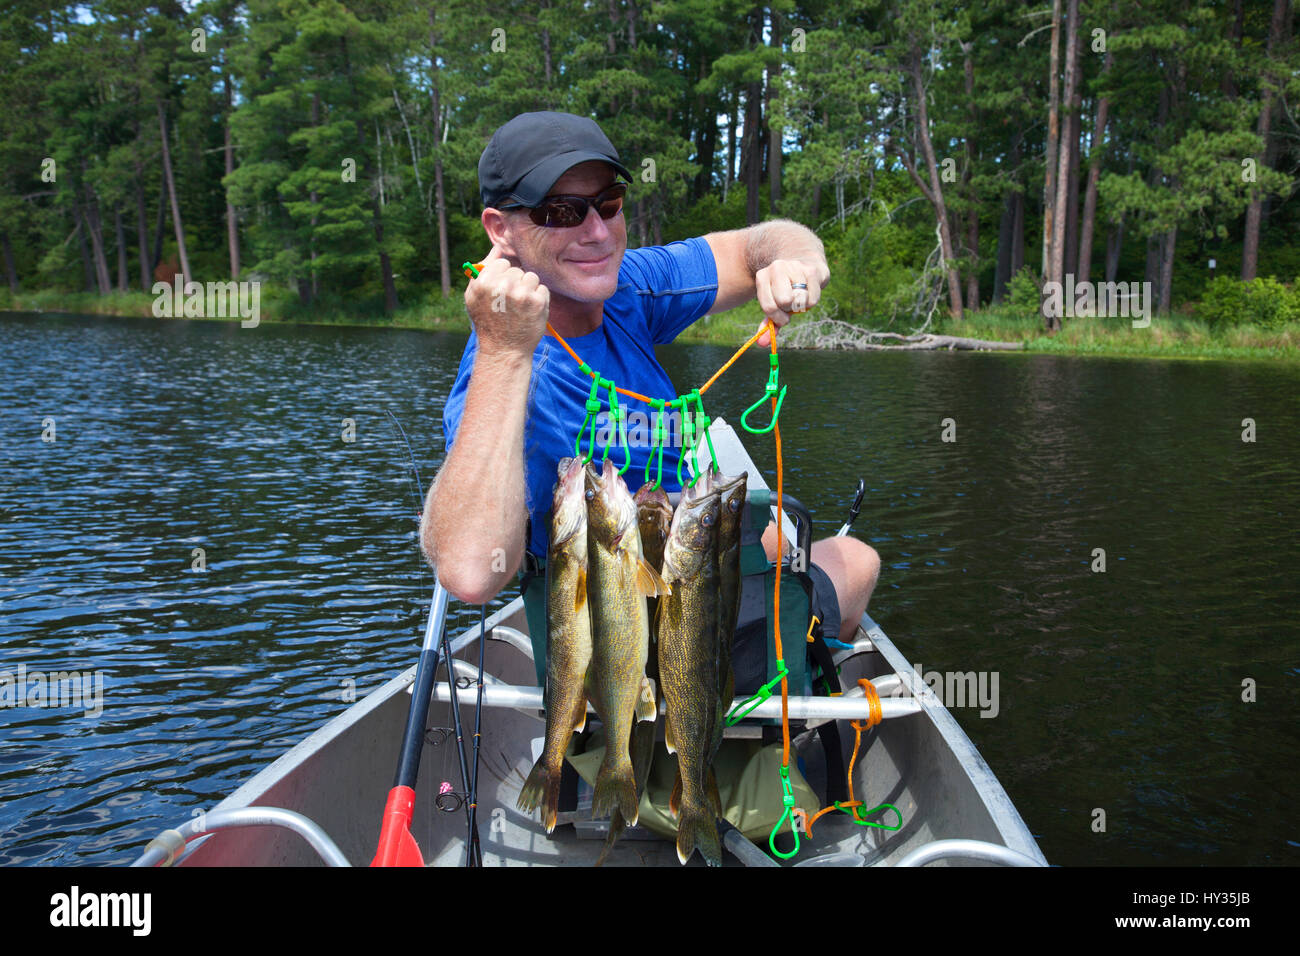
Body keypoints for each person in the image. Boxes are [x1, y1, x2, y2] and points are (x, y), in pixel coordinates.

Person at [422, 111, 879, 642]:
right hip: (625, 632)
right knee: (856, 560)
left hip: (684, 560)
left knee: (775, 530)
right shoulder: (504, 364)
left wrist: (794, 261)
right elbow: (470, 575)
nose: (596, 232)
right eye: (562, 211)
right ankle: (782, 689)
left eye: (608, 203)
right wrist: (502, 353)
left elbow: (754, 244)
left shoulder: (623, 286)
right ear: (500, 230)